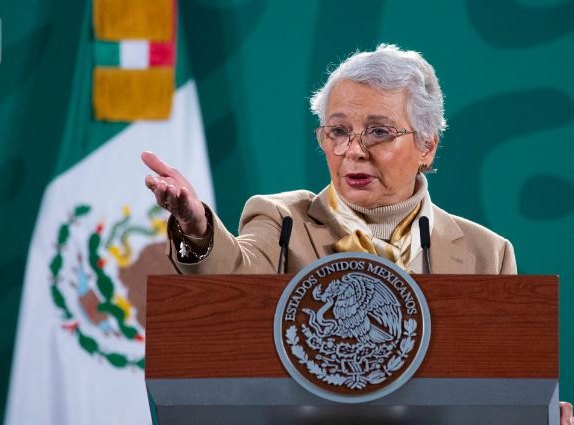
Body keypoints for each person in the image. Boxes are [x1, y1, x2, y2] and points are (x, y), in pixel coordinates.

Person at [142, 43, 572, 423]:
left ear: (427, 145)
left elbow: (500, 387)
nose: (352, 151)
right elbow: (235, 276)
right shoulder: (282, 219)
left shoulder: (487, 254)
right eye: (338, 131)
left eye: (379, 132)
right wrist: (197, 229)